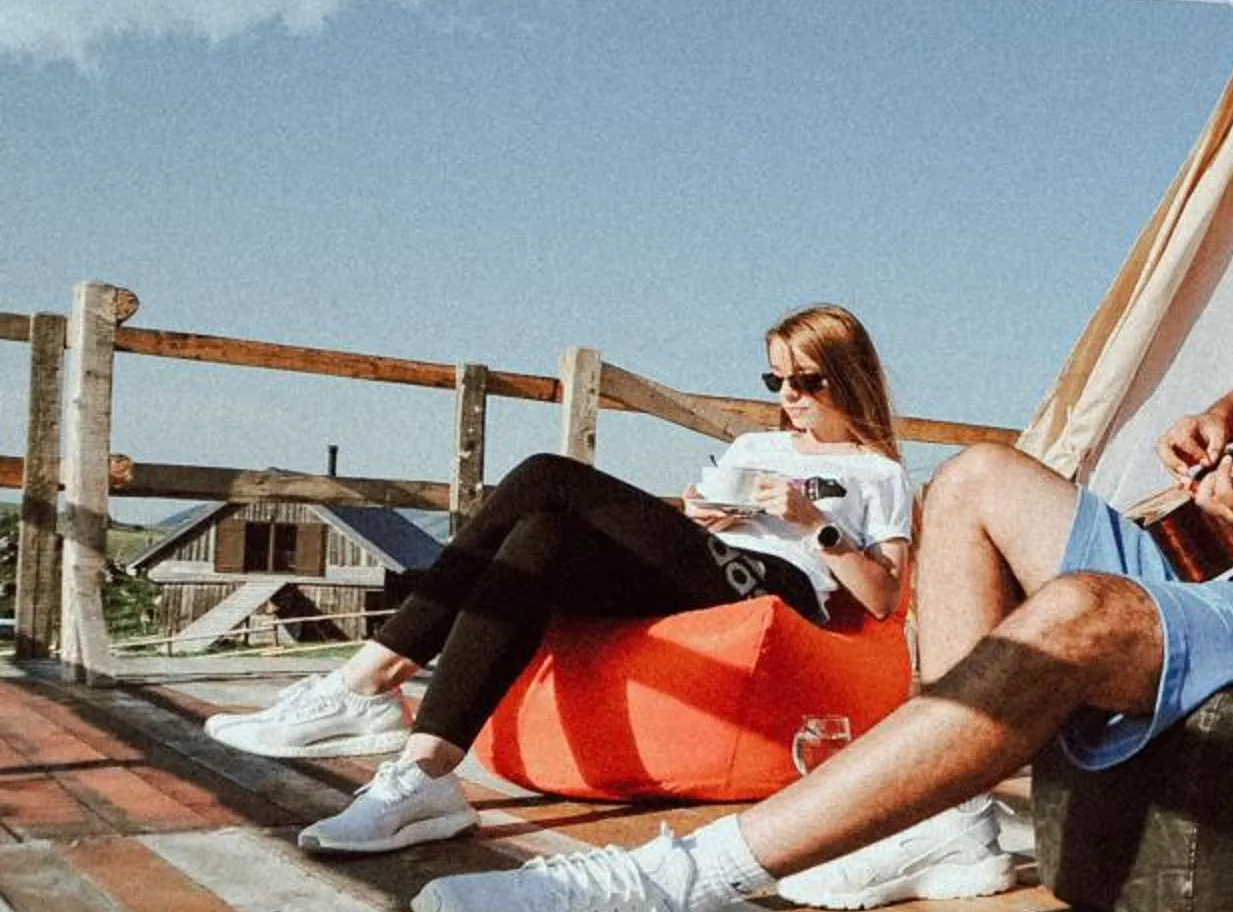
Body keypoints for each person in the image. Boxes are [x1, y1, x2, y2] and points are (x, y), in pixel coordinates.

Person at [413, 199, 1233, 912]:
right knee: (973, 479)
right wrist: (1225, 421)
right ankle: (947, 826)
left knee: (1080, 606)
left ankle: (662, 893)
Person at [207, 305, 938, 863]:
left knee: (544, 476)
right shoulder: (754, 446)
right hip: (710, 562)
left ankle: (367, 683)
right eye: (774, 378)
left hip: (776, 586)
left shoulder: (878, 473)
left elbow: (880, 595)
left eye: (806, 380)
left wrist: (815, 522)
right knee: (540, 537)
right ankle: (426, 773)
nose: (789, 395)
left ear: (847, 376)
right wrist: (701, 513)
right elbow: (695, 527)